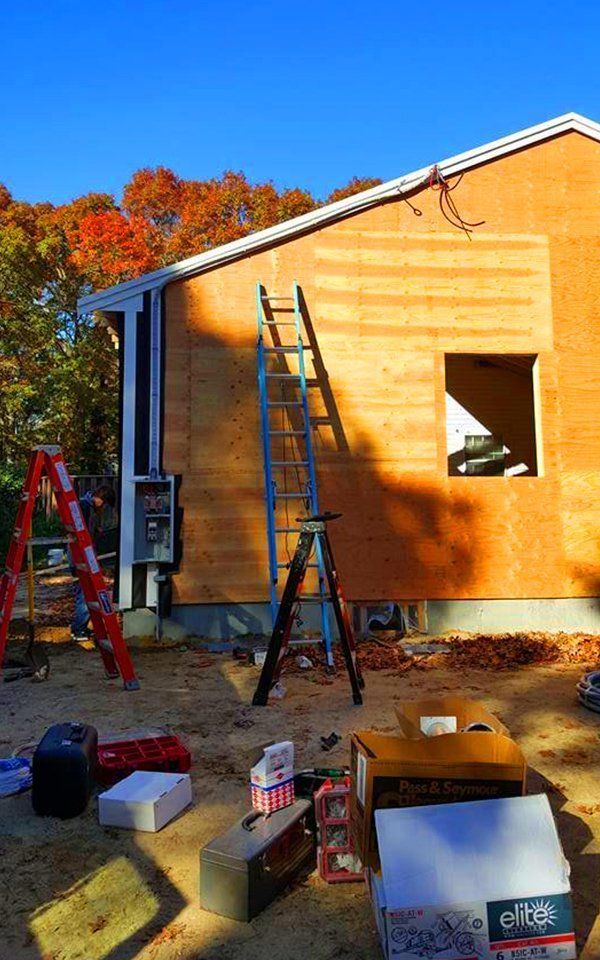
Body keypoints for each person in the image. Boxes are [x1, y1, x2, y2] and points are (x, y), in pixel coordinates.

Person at [70, 484, 116, 642]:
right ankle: (78, 629)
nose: (104, 508)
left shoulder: (89, 507)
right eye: (105, 504)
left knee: (85, 593)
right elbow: (79, 532)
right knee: (83, 593)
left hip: (83, 555)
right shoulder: (84, 506)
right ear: (101, 499)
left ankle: (80, 627)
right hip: (79, 556)